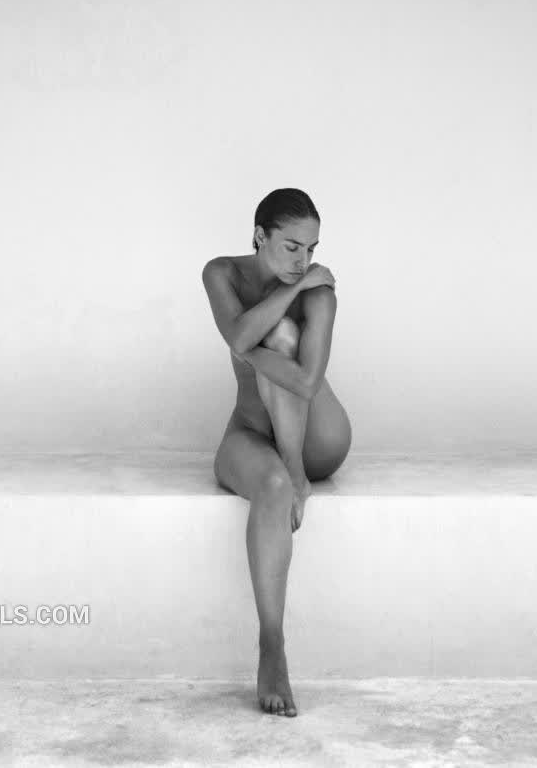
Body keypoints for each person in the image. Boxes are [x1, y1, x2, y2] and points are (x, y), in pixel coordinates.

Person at [202, 187, 352, 717]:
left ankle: (294, 470)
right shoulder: (221, 273)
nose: (304, 262)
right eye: (292, 247)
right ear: (259, 235)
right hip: (250, 430)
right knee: (270, 488)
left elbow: (306, 383)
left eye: (311, 250)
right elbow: (237, 334)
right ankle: (272, 646)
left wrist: (295, 297)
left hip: (315, 441)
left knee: (280, 338)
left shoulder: (319, 293)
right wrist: (285, 298)